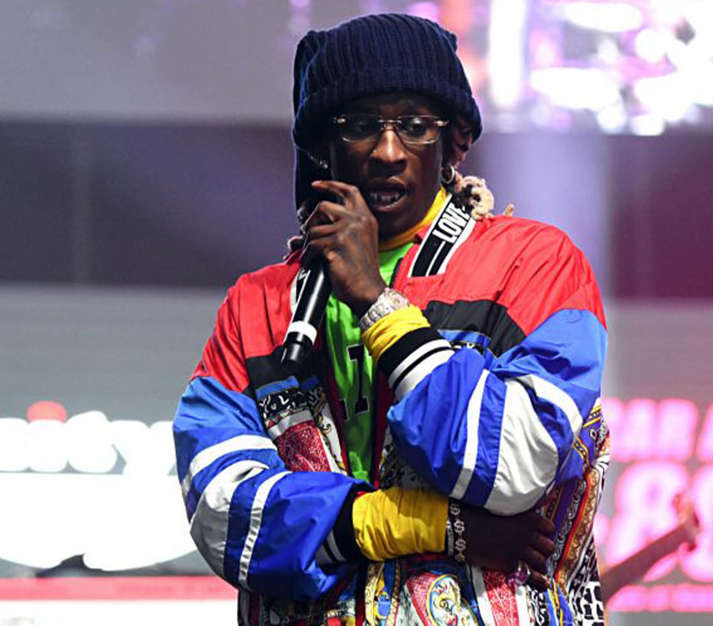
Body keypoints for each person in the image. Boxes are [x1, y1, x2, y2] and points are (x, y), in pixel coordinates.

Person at [173, 13, 611, 625]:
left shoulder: (535, 264)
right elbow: (222, 513)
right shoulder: (257, 305)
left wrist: (377, 304)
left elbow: (513, 467)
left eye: (414, 126)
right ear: (322, 147)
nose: (386, 151)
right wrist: (416, 523)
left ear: (455, 142)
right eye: (358, 125)